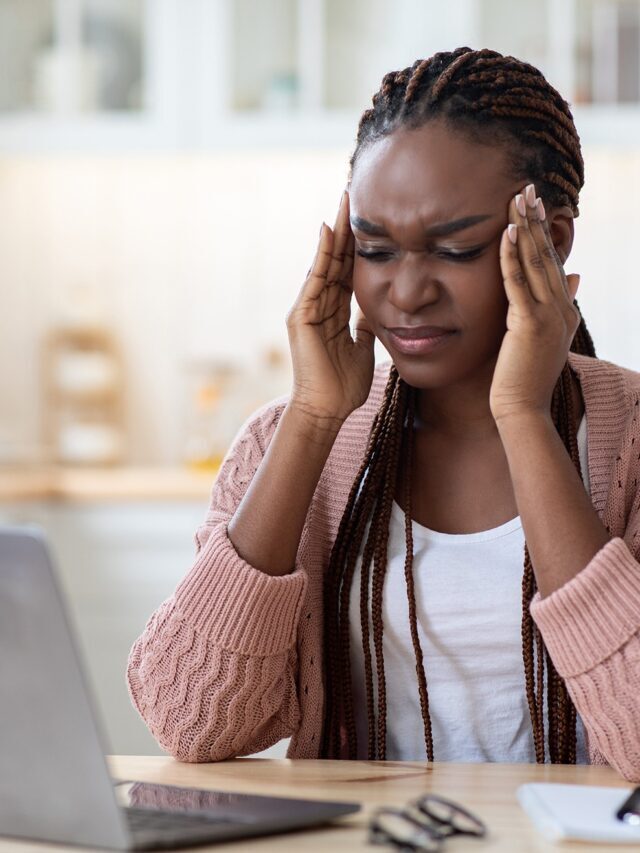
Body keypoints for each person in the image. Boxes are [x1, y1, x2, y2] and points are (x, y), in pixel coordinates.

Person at [127, 47, 640, 779]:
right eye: (375, 248)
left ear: (551, 242)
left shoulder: (631, 438)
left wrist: (524, 414)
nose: (405, 291)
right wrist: (311, 418)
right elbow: (190, 721)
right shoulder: (288, 440)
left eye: (452, 249)